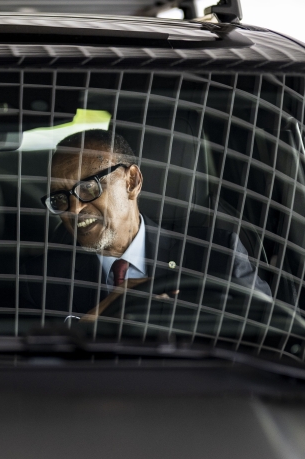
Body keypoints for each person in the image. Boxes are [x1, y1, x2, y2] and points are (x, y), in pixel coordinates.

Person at [21, 129, 273, 321]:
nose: (74, 209)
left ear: (132, 182)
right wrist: (99, 317)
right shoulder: (45, 282)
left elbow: (272, 334)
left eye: (88, 187)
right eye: (60, 198)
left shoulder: (216, 256)